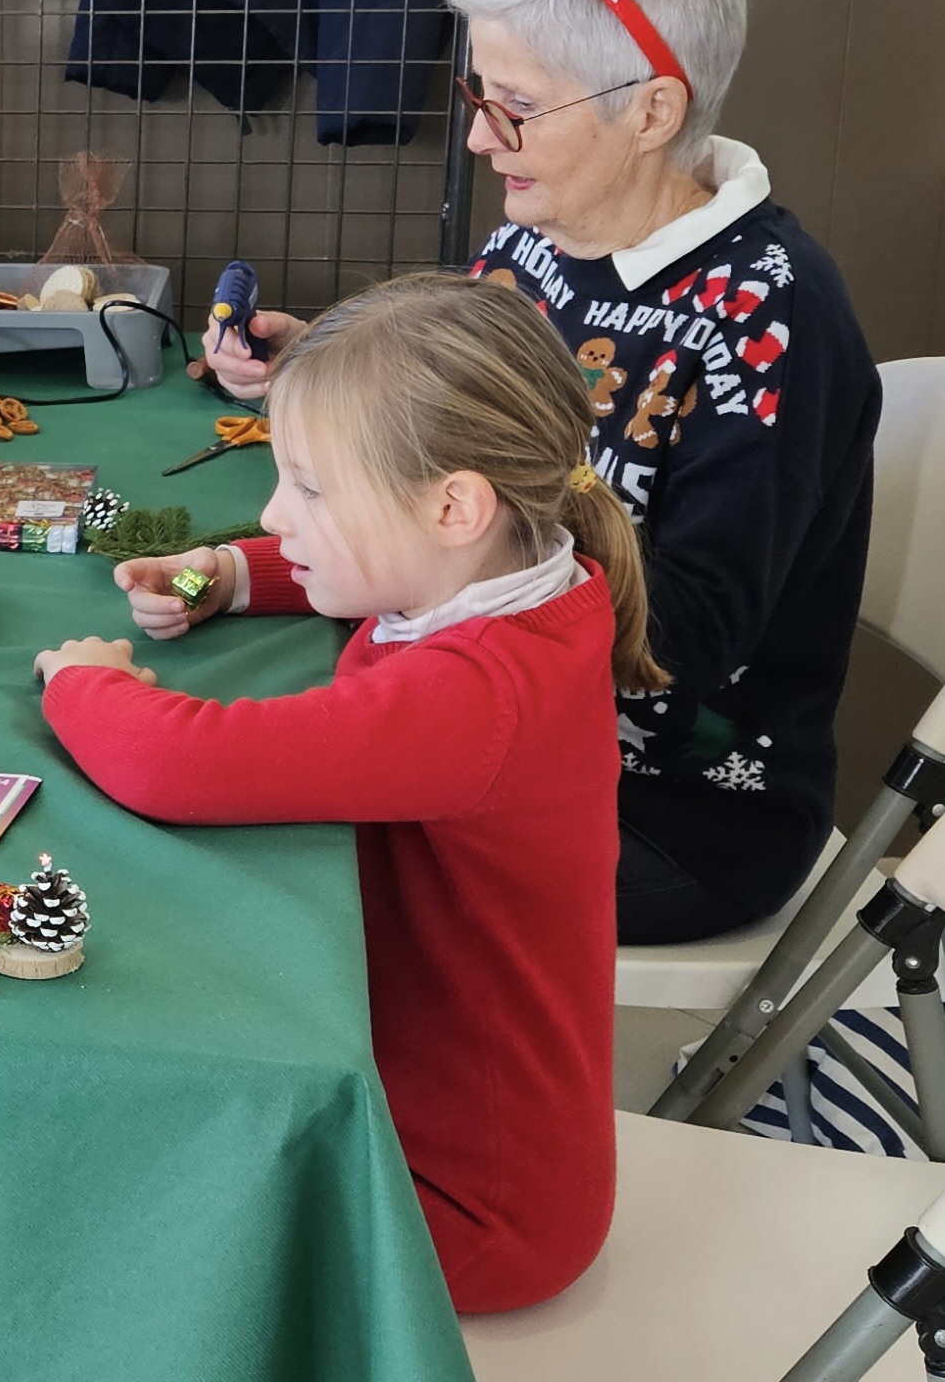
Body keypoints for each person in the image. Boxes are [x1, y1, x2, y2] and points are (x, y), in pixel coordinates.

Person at [198, 0, 878, 948]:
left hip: (666, 810)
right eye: (479, 92)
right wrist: (336, 388)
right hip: (475, 717)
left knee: (280, 896)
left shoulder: (773, 319)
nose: (476, 136)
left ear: (649, 112)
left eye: (512, 106)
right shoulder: (534, 239)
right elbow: (452, 454)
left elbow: (683, 635)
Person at [38, 272, 646, 1312]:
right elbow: (375, 572)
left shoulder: (474, 697)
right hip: (448, 1126)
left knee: (98, 1211)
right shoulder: (531, 569)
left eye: (309, 490)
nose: (276, 511)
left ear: (454, 504)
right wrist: (230, 574)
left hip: (463, 1214)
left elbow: (175, 763)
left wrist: (84, 684)